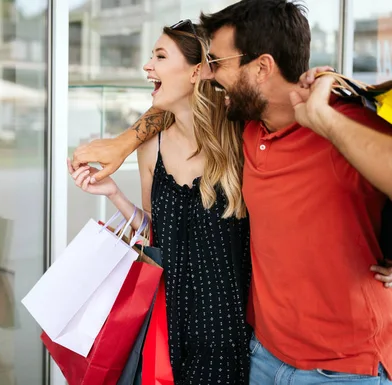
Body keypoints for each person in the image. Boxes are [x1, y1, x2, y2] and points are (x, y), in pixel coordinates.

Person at [71, 1, 392, 384]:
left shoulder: (339, 125)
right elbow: (176, 110)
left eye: (218, 63)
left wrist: (325, 118)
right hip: (259, 356)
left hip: (338, 371)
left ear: (261, 67)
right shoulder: (249, 131)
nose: (209, 73)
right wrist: (124, 144)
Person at [69, 21, 252, 384]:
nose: (147, 66)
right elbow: (157, 234)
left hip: (225, 337)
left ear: (197, 70)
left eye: (160, 56)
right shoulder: (151, 147)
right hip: (164, 329)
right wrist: (113, 195)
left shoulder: (238, 139)